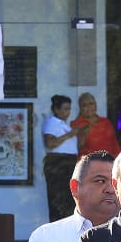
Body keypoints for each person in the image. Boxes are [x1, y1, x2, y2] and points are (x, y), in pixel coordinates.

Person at [43, 94, 87, 222]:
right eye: (65, 109)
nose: (68, 112)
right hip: (58, 163)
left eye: (69, 109)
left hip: (69, 162)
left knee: (68, 198)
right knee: (58, 198)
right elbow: (50, 143)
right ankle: (57, 226)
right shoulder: (52, 123)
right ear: (56, 110)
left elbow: (75, 147)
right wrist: (70, 134)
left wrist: (81, 135)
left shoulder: (64, 124)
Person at [72, 92, 121, 158]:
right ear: (80, 108)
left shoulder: (105, 121)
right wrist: (83, 136)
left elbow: (114, 143)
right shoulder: (75, 124)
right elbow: (74, 150)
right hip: (88, 164)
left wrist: (119, 159)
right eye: (84, 105)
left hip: (110, 162)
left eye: (91, 104)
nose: (89, 107)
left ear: (96, 105)